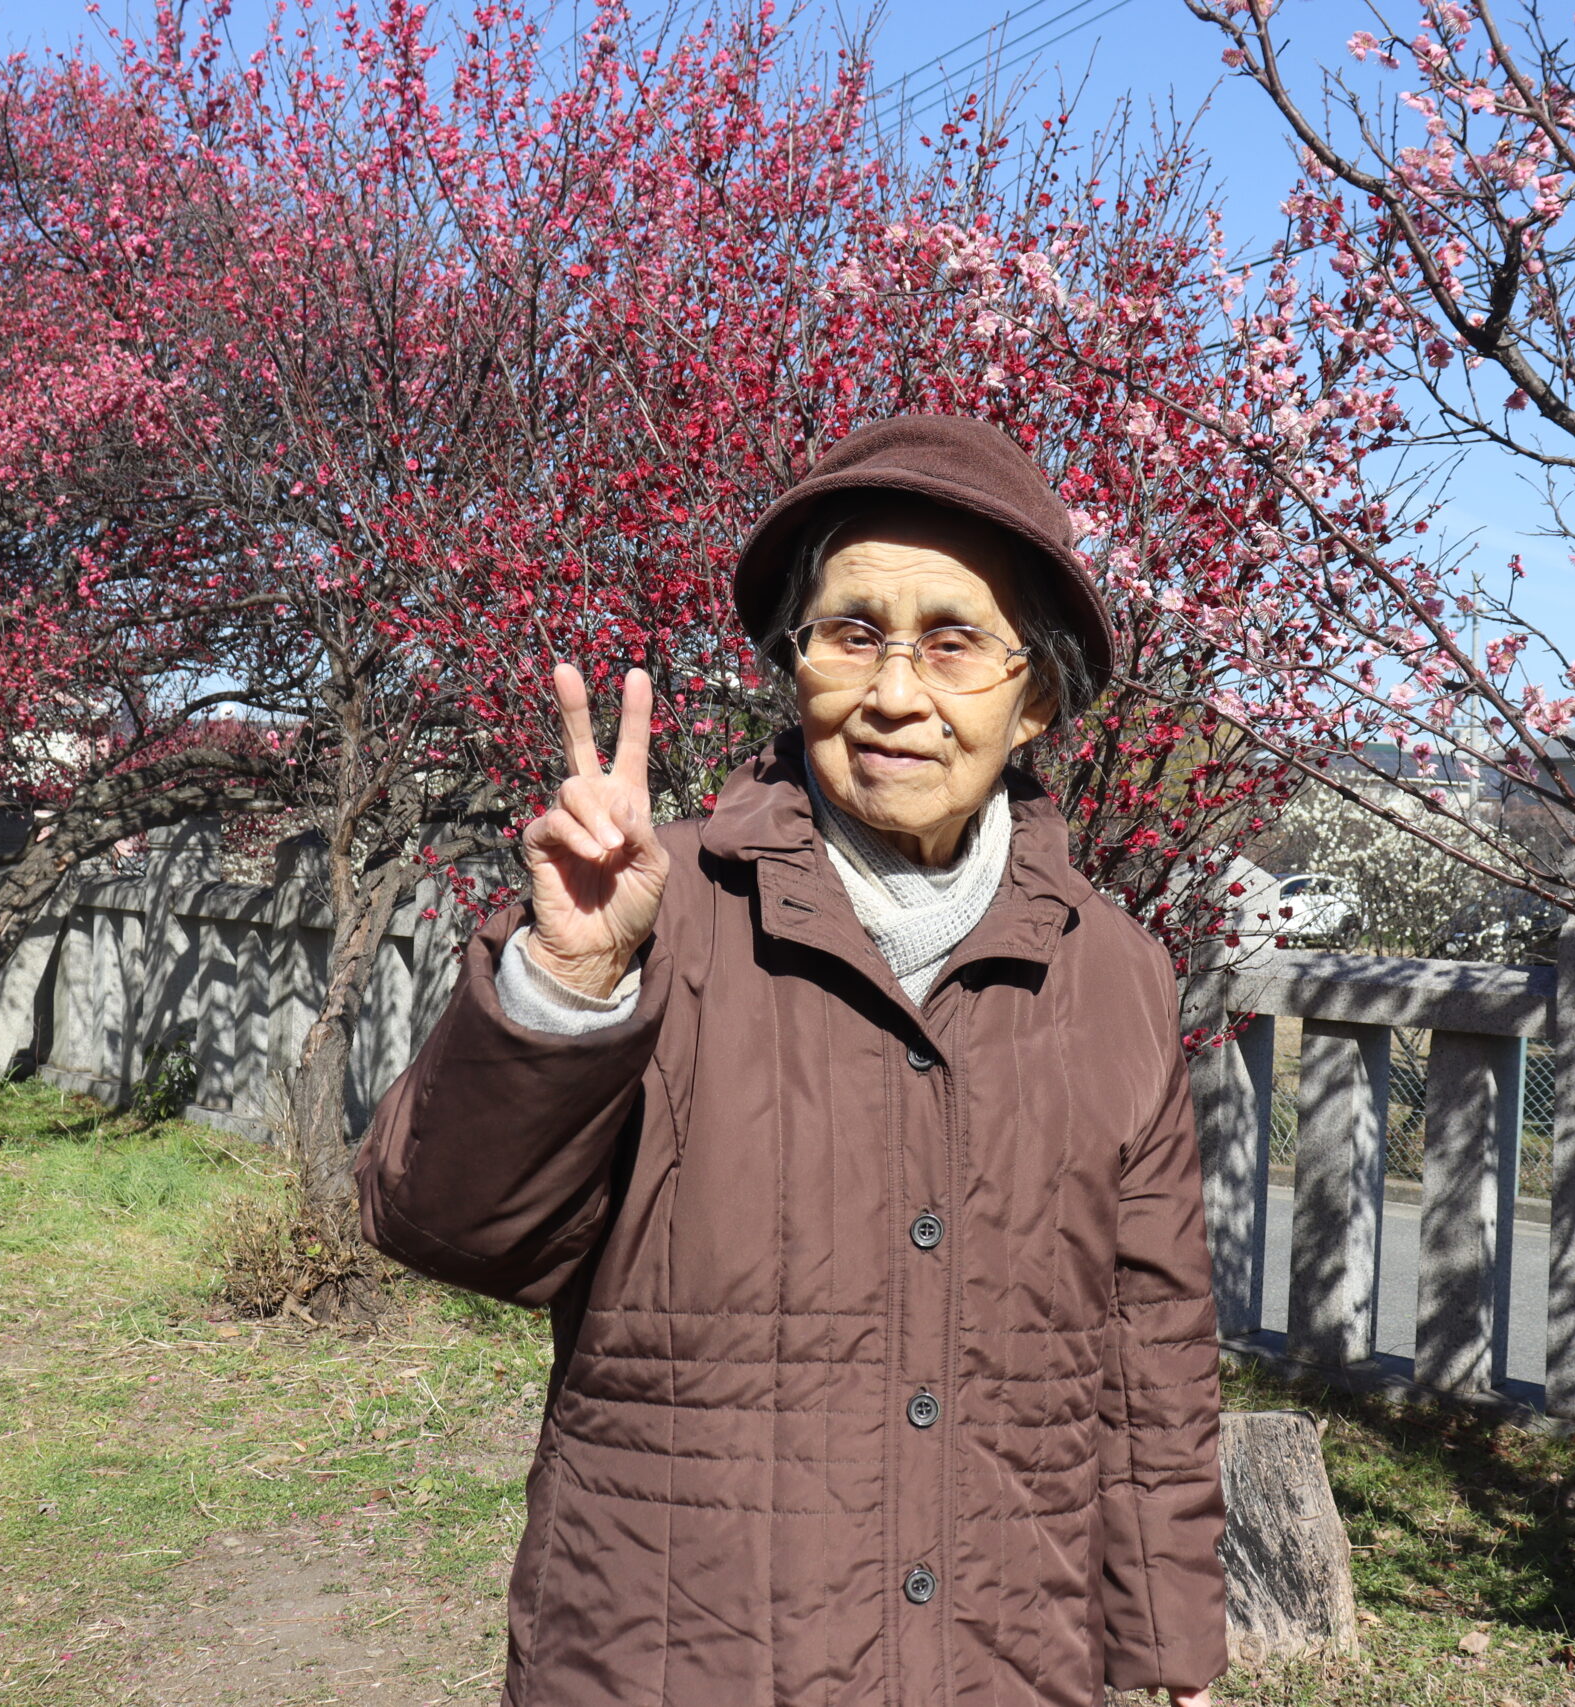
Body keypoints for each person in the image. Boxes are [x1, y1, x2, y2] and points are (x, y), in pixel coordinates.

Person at [357, 417, 1227, 1706]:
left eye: (952, 643)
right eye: (851, 635)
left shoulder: (1114, 976)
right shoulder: (658, 911)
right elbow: (449, 1227)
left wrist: (1169, 1651)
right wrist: (570, 984)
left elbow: (1148, 1347)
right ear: (794, 665)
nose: (894, 696)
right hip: (669, 1662)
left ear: (1035, 698)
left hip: (1002, 1663)